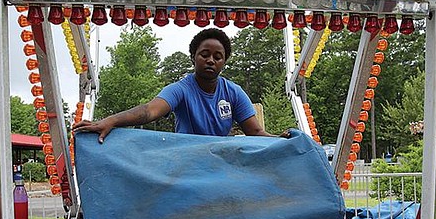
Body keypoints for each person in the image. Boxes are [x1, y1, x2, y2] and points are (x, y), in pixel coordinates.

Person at [73, 28, 283, 142]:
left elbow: (255, 133)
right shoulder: (180, 89)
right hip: (186, 164)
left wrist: (283, 140)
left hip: (221, 164)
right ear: (193, 57)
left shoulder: (234, 92)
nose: (211, 60)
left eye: (218, 57)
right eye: (205, 54)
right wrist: (110, 121)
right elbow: (149, 111)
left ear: (224, 62)